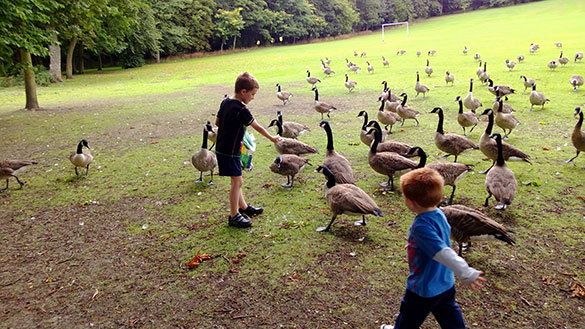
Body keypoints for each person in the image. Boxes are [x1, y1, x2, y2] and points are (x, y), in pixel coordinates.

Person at [381, 168, 486, 329]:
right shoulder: (440, 213)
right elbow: (440, 238)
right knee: (450, 315)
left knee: (408, 317)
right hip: (445, 282)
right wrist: (416, 246)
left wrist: (466, 272)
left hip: (423, 287)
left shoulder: (420, 226)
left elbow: (442, 252)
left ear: (410, 202)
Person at [215, 72, 280, 228]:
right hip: (229, 151)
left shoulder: (225, 102)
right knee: (237, 182)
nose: (253, 97)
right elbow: (256, 126)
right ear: (243, 92)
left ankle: (244, 208)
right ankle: (234, 216)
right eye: (252, 94)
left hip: (224, 148)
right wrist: (272, 138)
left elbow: (217, 122)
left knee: (237, 181)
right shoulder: (241, 109)